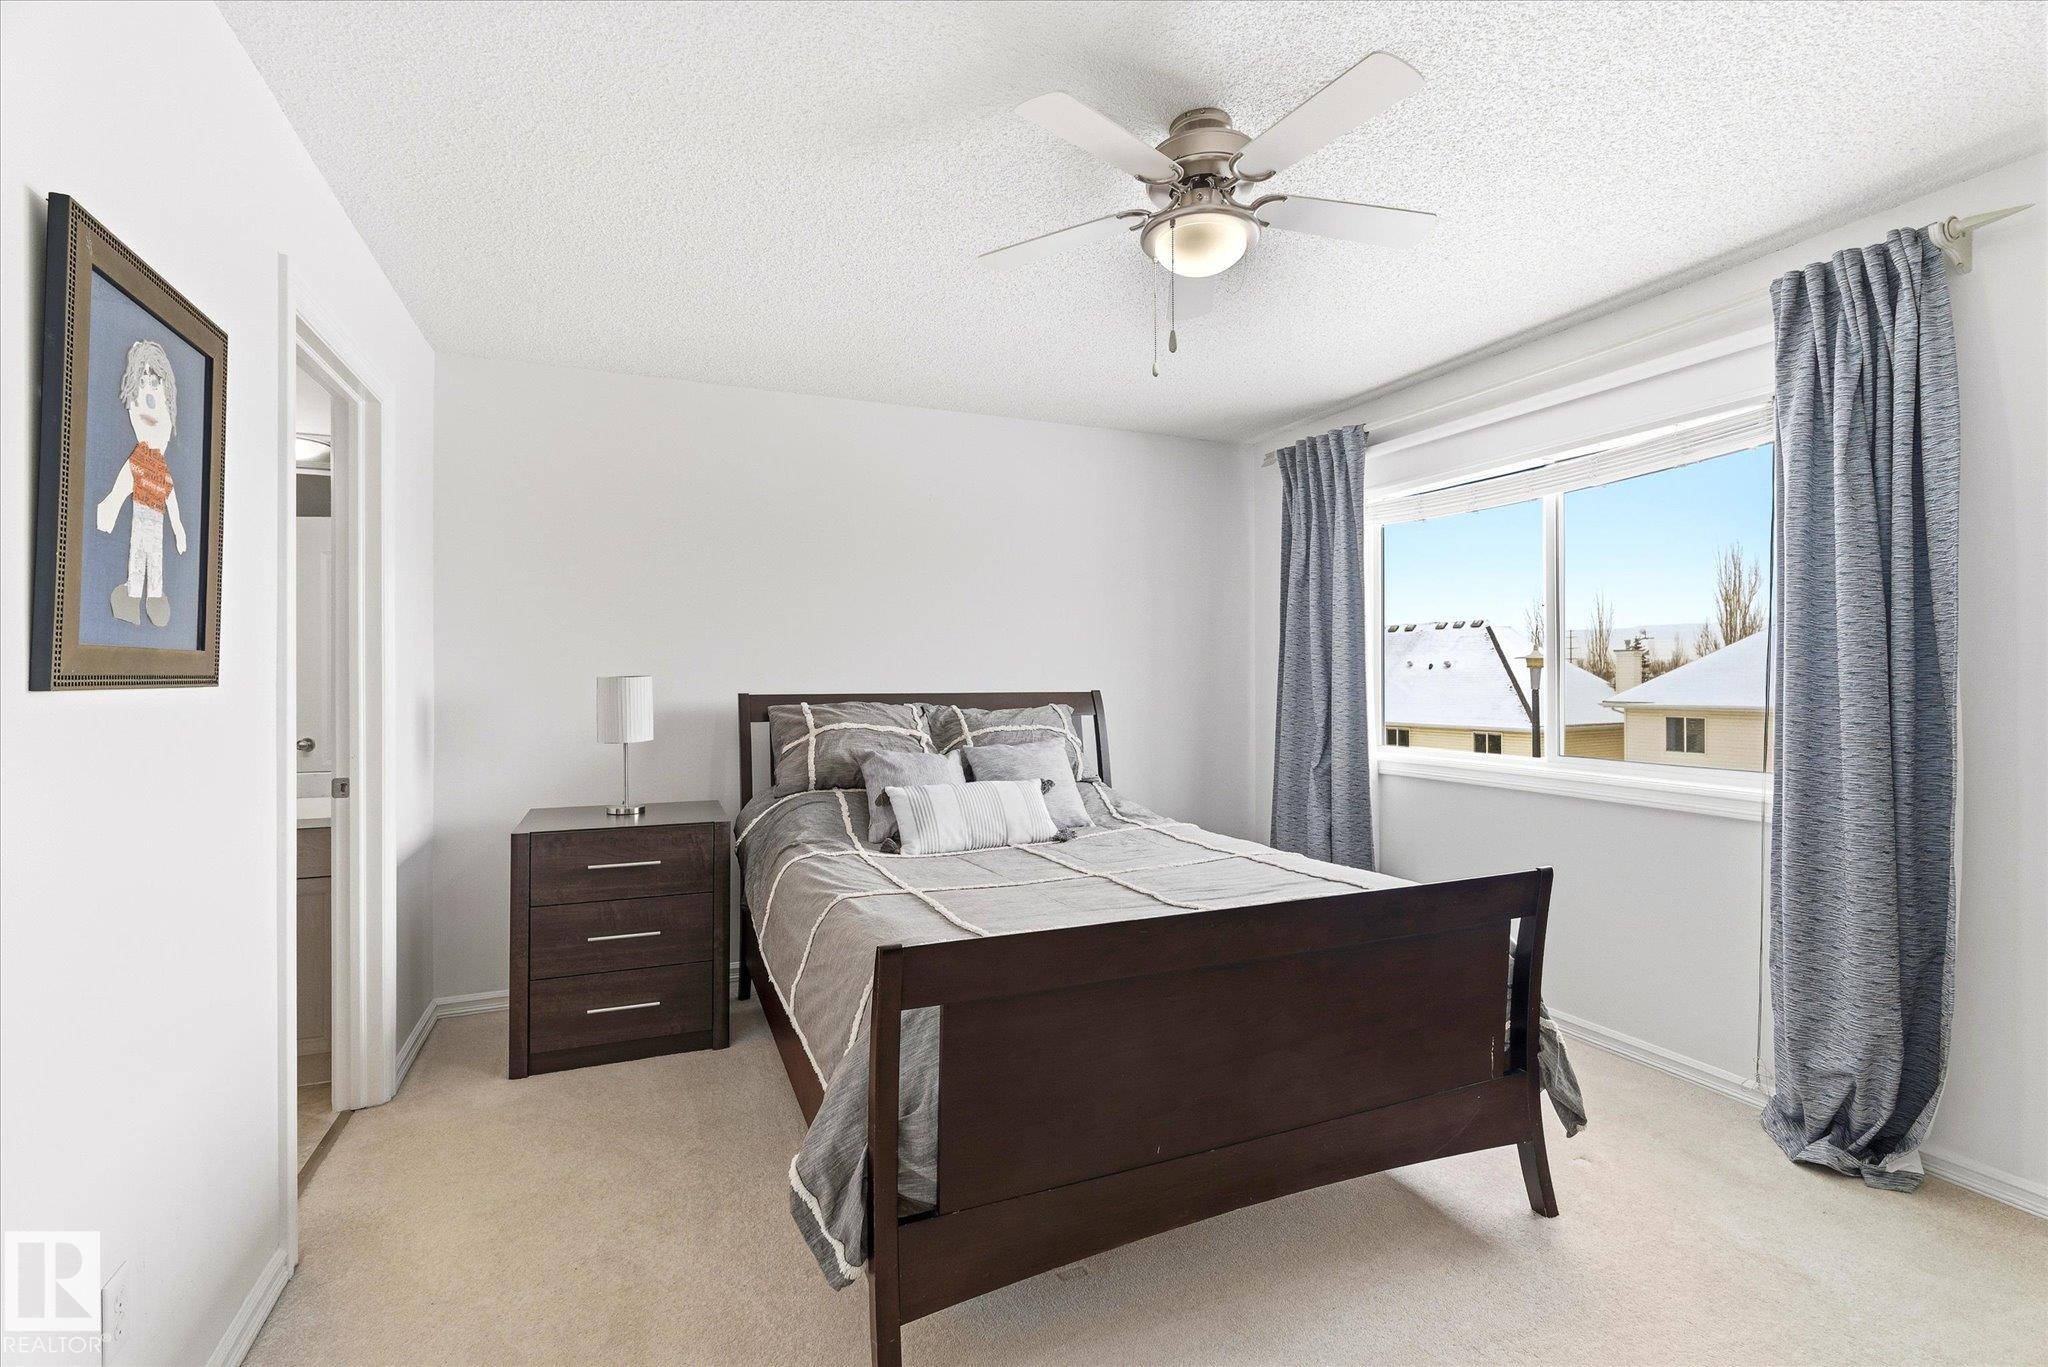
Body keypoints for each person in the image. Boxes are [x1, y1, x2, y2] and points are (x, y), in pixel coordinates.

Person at [94, 339, 187, 627]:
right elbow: (124, 483)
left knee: (155, 557)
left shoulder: (160, 463)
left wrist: (179, 527)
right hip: (141, 516)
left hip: (156, 520)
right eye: (142, 385)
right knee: (137, 554)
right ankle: (133, 597)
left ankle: (156, 596)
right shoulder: (140, 457)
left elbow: (169, 494)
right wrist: (110, 504)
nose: (148, 397)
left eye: (155, 385)